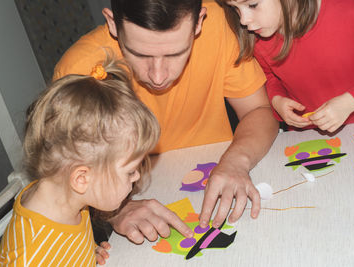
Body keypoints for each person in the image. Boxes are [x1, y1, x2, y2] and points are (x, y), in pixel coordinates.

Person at [54, 0, 278, 243]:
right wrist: (116, 210)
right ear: (112, 25)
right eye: (140, 54)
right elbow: (66, 178)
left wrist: (236, 161)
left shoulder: (220, 22)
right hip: (133, 197)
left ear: (199, 23)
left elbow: (259, 111)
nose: (158, 75)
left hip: (222, 180)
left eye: (175, 53)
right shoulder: (77, 71)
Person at [0, 55, 160, 266]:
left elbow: (64, 246)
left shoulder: (67, 197)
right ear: (82, 178)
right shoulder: (31, 257)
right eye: (130, 171)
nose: (137, 175)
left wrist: (86, 253)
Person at [219, 0, 354, 132]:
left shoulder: (350, 9)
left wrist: (349, 102)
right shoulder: (257, 37)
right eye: (235, 8)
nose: (243, 20)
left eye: (252, 4)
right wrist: (277, 99)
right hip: (310, 137)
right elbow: (270, 78)